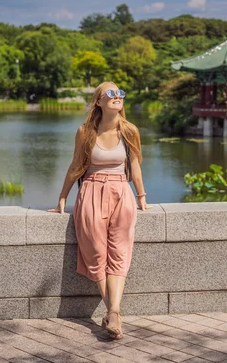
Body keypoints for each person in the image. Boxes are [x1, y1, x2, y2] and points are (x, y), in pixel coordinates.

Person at [48, 81, 148, 340]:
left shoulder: (130, 131)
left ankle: (113, 313)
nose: (117, 97)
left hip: (121, 194)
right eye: (111, 94)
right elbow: (75, 165)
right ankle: (114, 312)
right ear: (99, 102)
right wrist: (62, 197)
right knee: (94, 253)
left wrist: (141, 196)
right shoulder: (85, 132)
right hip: (91, 191)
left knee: (119, 252)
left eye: (120, 93)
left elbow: (135, 165)